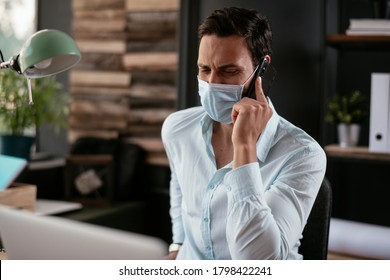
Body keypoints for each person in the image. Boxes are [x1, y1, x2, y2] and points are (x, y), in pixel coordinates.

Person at [161, 6, 326, 260]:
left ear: (262, 69)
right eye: (205, 69)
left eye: (229, 71)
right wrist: (177, 245)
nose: (213, 83)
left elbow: (258, 263)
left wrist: (245, 150)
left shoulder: (303, 154)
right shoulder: (177, 129)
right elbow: (180, 188)